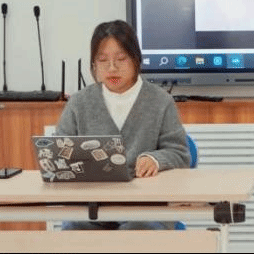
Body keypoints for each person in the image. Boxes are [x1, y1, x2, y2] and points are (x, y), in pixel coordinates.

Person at [56, 19, 191, 230]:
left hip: (146, 209)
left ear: (136, 60)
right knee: (74, 229)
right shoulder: (79, 103)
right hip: (92, 209)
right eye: (102, 60)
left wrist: (155, 159)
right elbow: (58, 153)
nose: (112, 68)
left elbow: (180, 154)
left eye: (121, 59)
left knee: (136, 231)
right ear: (94, 65)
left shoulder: (160, 101)